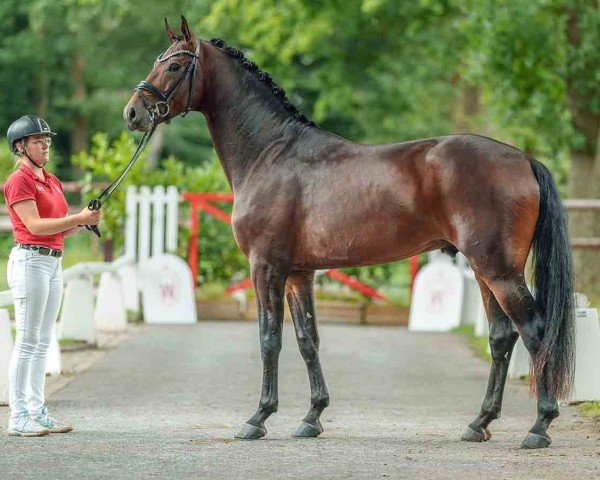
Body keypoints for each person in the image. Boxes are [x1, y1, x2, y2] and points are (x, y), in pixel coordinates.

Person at [3, 115, 101, 437]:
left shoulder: (53, 180)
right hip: (30, 261)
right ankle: (17, 417)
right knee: (28, 340)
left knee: (43, 340)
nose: (45, 144)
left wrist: (84, 221)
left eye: (47, 139)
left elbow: (61, 227)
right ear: (20, 147)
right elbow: (34, 226)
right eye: (37, 140)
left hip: (53, 262)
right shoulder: (19, 181)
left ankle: (36, 409)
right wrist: (77, 217)